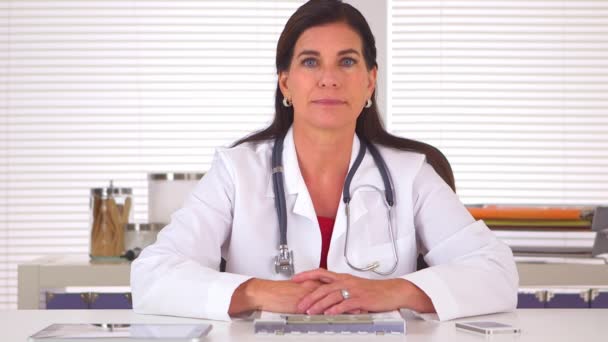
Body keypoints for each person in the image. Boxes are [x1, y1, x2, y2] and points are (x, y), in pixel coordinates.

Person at [131, 0, 518, 321]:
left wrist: (390, 291)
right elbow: (152, 275)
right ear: (285, 82)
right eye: (311, 62)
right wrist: (258, 292)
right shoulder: (236, 171)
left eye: (347, 62)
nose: (329, 78)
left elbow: (497, 273)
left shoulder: (409, 174)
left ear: (370, 81)